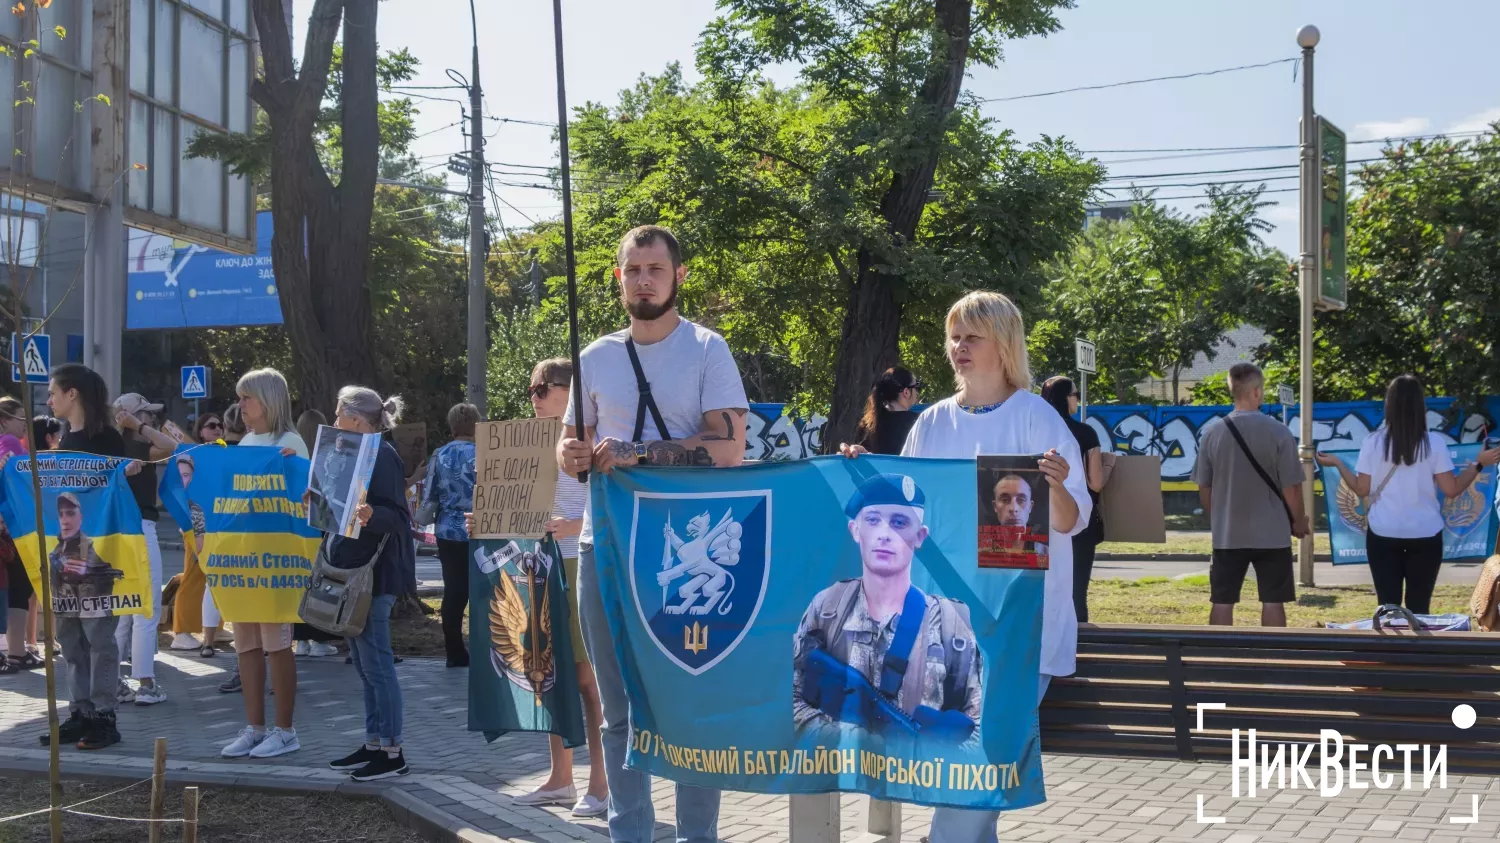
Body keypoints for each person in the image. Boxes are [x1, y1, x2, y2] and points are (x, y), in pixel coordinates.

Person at [842, 291, 1087, 843]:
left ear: (1002, 344)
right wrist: (864, 473)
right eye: (954, 336)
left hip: (1021, 628)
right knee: (973, 773)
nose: (958, 347)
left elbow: (1072, 519)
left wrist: (1053, 488)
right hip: (949, 628)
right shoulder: (932, 423)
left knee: (977, 767)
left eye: (971, 336)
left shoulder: (1037, 417)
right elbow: (903, 512)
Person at [556, 224, 748, 843]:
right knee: (618, 711)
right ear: (619, 278)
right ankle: (627, 833)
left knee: (691, 704)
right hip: (605, 544)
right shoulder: (593, 357)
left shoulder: (707, 349)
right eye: (633, 269)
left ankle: (698, 836)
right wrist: (575, 455)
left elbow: (729, 450)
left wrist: (642, 450)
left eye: (655, 269)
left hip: (688, 557)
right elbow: (568, 446)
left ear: (678, 276)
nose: (643, 280)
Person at [792, 474, 980, 742]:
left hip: (918, 780)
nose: (885, 534)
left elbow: (977, 727)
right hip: (841, 776)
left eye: (899, 523)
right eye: (872, 520)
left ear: (920, 536)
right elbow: (791, 698)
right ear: (855, 530)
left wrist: (928, 758)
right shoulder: (827, 608)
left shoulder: (950, 623)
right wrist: (850, 740)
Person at [510, 359, 608, 817]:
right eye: (531, 387)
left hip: (579, 561)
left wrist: (575, 524)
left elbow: (611, 495)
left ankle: (603, 785)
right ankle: (560, 779)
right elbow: (520, 505)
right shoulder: (529, 442)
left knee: (589, 680)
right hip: (542, 562)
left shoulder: (588, 436)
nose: (532, 395)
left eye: (541, 387)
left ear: (570, 391)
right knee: (547, 674)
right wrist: (486, 522)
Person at [1318, 375, 1500, 613]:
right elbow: (1451, 489)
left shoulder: (1373, 442)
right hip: (1425, 534)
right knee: (1419, 607)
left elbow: (1361, 490)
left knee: (1387, 607)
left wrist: (1339, 464)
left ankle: (1389, 650)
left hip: (1383, 533)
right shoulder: (1434, 443)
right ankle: (1418, 650)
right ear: (1420, 406)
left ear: (1389, 405)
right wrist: (1478, 463)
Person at [324, 387, 417, 782]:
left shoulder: (383, 455)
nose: (334, 420)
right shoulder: (355, 452)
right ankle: (375, 741)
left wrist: (371, 513)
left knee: (377, 663)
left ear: (357, 419)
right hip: (355, 568)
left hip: (375, 574)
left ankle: (392, 750)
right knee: (363, 663)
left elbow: (398, 516)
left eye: (339, 413)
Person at [42, 363, 137, 750]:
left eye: (53, 392)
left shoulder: (107, 440)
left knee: (100, 637)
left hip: (97, 559)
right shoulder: (64, 442)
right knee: (70, 638)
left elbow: (111, 493)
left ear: (73, 394)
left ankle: (104, 716)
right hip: (65, 561)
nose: (49, 400)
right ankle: (78, 713)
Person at [219, 368, 308, 760]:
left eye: (246, 398)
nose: (241, 406)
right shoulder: (245, 443)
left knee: (277, 647)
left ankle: (285, 730)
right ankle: (254, 728)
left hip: (275, 562)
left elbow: (304, 497)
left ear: (268, 400)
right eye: (240, 398)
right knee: (247, 646)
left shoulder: (290, 441)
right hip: (244, 558)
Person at [1192, 363, 1311, 628]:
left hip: (1228, 535)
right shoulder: (1280, 432)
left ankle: (1221, 659)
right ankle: (1272, 657)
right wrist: (1299, 521)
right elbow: (1291, 487)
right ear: (1257, 392)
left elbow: (1204, 489)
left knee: (1222, 601)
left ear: (1232, 390)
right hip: (1272, 533)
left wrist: (1221, 516)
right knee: (1273, 601)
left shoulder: (1212, 433)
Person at [112, 393, 177, 706]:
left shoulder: (108, 446)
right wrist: (138, 426)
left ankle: (114, 680)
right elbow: (170, 447)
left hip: (115, 533)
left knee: (122, 608)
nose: (150, 420)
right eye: (146, 415)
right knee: (145, 609)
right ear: (130, 417)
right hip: (141, 528)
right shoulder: (138, 444)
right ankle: (146, 683)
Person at [1039, 376, 1110, 622]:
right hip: (1079, 521)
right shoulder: (1085, 432)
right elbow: (1095, 482)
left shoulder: (1036, 429)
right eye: (1075, 395)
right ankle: (1080, 650)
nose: (1077, 400)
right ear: (1065, 399)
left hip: (1041, 521)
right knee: (1077, 592)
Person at [424, 403, 477, 668]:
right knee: (483, 591)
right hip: (480, 529)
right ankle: (487, 649)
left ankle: (454, 652)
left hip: (447, 530)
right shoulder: (485, 454)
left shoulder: (439, 455)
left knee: (454, 593)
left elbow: (430, 495)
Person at [2, 397, 40, 675]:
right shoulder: (11, 444)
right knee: (20, 586)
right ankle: (16, 652)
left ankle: (16, 651)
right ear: (4, 419)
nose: (25, 425)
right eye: (20, 418)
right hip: (12, 526)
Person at [167, 454, 209, 653]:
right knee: (192, 578)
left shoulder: (196, 490)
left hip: (205, 533)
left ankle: (214, 626)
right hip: (194, 535)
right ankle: (181, 632)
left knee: (208, 579)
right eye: (180, 475)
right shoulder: (181, 494)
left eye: (187, 474)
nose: (184, 479)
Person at [855, 367, 923, 455]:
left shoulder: (867, 424)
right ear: (906, 392)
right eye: (916, 386)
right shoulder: (919, 422)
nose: (917, 392)